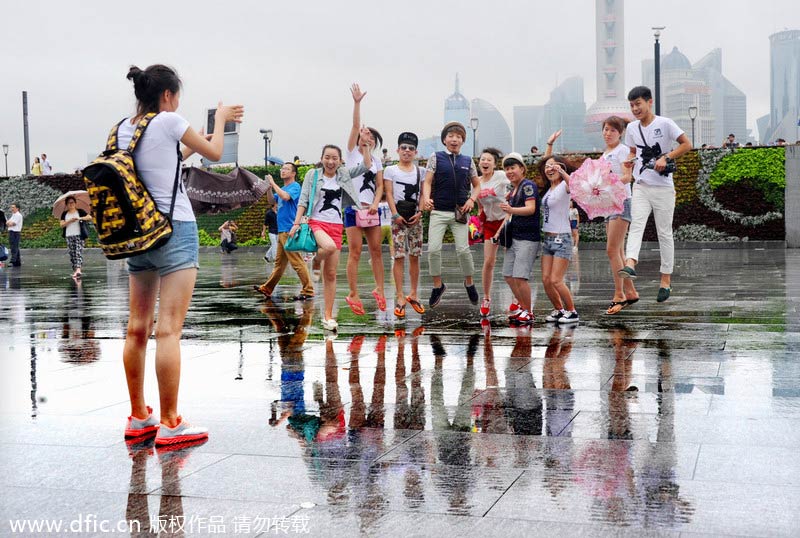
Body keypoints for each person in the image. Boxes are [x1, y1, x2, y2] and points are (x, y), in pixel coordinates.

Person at [118, 63, 243, 446]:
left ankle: (139, 417)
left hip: (138, 231)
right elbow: (218, 153)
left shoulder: (123, 127)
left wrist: (190, 143)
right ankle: (171, 422)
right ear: (168, 96)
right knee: (168, 329)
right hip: (174, 229)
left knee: (137, 327)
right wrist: (221, 120)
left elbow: (161, 162)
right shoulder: (171, 121)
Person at [289, 133, 374, 332]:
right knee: (328, 247)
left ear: (340, 160)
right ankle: (316, 260)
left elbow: (366, 166)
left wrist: (367, 147)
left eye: (334, 158)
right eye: (327, 157)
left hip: (336, 225)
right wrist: (296, 223)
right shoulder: (313, 175)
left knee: (332, 274)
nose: (330, 161)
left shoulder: (343, 174)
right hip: (316, 223)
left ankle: (328, 317)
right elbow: (303, 200)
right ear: (321, 159)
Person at [618, 86, 692, 303]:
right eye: (631, 105)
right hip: (641, 185)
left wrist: (666, 157)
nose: (635, 108)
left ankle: (665, 281)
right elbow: (633, 152)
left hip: (664, 189)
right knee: (637, 224)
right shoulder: (631, 128)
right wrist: (628, 164)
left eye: (638, 104)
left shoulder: (665, 123)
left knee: (664, 233)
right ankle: (630, 263)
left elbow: (687, 144)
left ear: (649, 102)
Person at [420, 121, 480, 308]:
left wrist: (471, 200)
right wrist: (427, 198)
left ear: (463, 141)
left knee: (463, 250)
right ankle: (438, 285)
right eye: (451, 136)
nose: (454, 140)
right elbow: (428, 181)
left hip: (460, 212)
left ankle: (469, 282)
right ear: (444, 139)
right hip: (438, 211)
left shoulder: (468, 161)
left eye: (458, 137)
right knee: (434, 249)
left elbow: (477, 185)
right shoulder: (436, 157)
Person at [343, 84, 386, 315]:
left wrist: (376, 204)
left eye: (370, 134)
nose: (365, 134)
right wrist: (357, 103)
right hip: (352, 208)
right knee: (355, 251)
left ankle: (379, 288)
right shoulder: (351, 153)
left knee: (376, 249)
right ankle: (353, 293)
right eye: (364, 132)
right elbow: (353, 125)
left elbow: (380, 185)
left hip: (371, 209)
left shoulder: (376, 160)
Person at [255, 163, 315, 301]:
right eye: (282, 169)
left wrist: (273, 183)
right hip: (282, 230)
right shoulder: (281, 188)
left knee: (297, 262)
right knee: (279, 264)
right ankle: (268, 288)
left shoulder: (295, 187)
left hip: (290, 229)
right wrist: (269, 188)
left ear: (293, 173)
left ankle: (309, 290)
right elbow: (271, 200)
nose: (283, 171)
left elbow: (286, 197)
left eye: (286, 169)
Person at [598, 116, 639, 315]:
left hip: (621, 202)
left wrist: (607, 181)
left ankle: (619, 294)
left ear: (620, 133)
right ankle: (630, 291)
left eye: (612, 130)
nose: (608, 133)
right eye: (605, 129)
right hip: (608, 203)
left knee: (612, 250)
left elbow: (627, 177)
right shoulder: (604, 154)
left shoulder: (623, 151)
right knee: (619, 252)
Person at [383, 132, 426, 318]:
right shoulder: (390, 170)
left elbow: (424, 193)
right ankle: (400, 297)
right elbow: (389, 194)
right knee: (399, 257)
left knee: (415, 256)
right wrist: (395, 214)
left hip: (416, 217)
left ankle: (414, 294)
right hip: (397, 218)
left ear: (415, 152)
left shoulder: (421, 171)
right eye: (403, 148)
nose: (407, 151)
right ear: (397, 150)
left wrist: (421, 212)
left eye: (410, 148)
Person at [496, 153, 539, 325]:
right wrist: (499, 233)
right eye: (507, 168)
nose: (509, 171)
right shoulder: (512, 191)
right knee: (508, 275)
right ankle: (522, 307)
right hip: (514, 238)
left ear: (522, 168)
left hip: (527, 238)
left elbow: (531, 209)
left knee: (520, 277)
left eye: (513, 167)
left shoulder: (528, 186)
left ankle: (528, 312)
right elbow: (508, 216)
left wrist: (511, 209)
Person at [538, 153, 579, 324]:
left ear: (561, 167)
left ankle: (572, 311)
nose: (550, 169)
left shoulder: (564, 186)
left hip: (562, 238)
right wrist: (549, 147)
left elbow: (574, 185)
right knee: (546, 280)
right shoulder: (548, 189)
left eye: (553, 166)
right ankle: (559, 309)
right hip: (547, 239)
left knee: (556, 279)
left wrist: (562, 172)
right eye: (547, 166)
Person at [475, 147, 510, 318]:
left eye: (489, 160)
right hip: (489, 223)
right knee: (489, 261)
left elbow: (514, 189)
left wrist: (511, 203)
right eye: (483, 159)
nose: (485, 162)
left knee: (510, 260)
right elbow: (479, 203)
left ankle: (517, 299)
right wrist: (479, 219)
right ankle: (486, 298)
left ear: (495, 164)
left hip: (506, 220)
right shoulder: (477, 181)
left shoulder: (501, 176)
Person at [59, 195, 91, 279]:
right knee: (72, 254)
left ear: (75, 203)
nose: (71, 204)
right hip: (69, 235)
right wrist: (70, 221)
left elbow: (89, 217)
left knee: (78, 252)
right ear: (66, 204)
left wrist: (80, 218)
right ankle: (75, 270)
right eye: (69, 203)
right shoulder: (65, 214)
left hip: (79, 235)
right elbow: (62, 225)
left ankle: (78, 270)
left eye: (72, 202)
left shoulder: (80, 211)